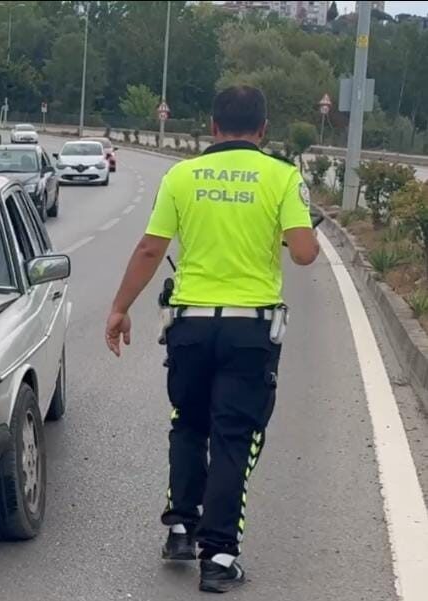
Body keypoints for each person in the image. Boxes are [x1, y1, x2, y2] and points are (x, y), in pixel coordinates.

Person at [104, 85, 319, 594]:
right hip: (250, 330)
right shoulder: (283, 176)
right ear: (264, 130)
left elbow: (150, 249)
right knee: (233, 438)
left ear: (213, 126)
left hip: (190, 325)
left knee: (188, 423)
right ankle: (219, 556)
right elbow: (305, 253)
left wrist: (119, 309)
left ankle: (181, 528)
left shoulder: (181, 175)